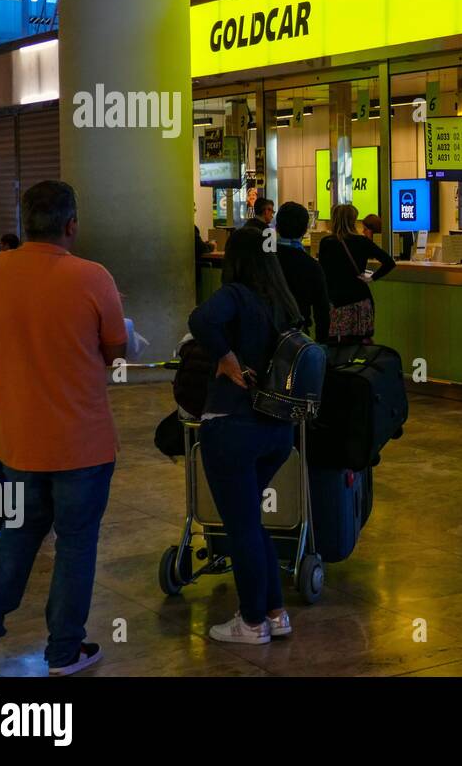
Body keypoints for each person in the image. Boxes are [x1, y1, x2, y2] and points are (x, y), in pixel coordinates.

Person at [0, 181, 128, 676]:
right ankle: (62, 652)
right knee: (75, 546)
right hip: (81, 442)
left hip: (16, 440)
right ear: (71, 224)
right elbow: (116, 350)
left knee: (18, 534)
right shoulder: (92, 277)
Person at [188, 226, 302, 645]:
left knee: (241, 527)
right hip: (277, 431)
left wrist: (226, 355)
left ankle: (252, 622)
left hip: (233, 428)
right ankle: (275, 612)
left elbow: (200, 319)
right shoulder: (284, 303)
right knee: (251, 522)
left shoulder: (236, 295)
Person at [319, 204, 396, 345]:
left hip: (336, 300)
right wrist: (372, 278)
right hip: (360, 298)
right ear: (353, 220)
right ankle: (362, 366)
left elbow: (323, 272)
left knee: (338, 344)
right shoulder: (362, 241)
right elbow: (389, 262)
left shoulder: (326, 243)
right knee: (362, 342)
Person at [275, 201, 330, 343]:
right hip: (296, 336)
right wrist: (322, 343)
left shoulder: (263, 260)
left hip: (263, 331)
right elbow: (321, 311)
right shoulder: (311, 266)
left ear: (276, 227)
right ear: (305, 230)